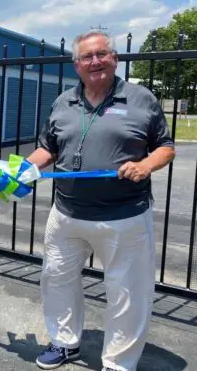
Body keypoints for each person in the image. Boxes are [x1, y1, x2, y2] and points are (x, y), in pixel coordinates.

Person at [27, 31, 175, 371]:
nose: (95, 61)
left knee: (127, 292)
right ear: (76, 65)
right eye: (87, 57)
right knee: (57, 280)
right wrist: (19, 169)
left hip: (124, 217)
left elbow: (165, 147)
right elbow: (48, 148)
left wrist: (144, 165)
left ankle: (119, 363)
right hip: (66, 214)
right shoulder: (63, 102)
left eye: (102, 54)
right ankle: (65, 344)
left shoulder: (141, 99)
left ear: (115, 59)